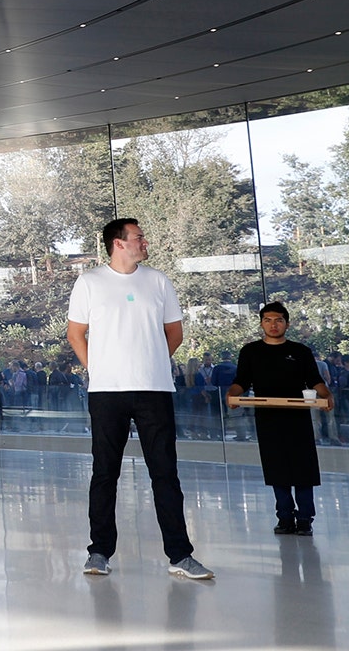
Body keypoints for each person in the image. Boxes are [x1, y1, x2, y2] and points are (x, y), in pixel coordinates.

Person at [67, 218, 213, 580]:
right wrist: (97, 369)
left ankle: (180, 556)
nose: (144, 242)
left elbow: (174, 332)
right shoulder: (89, 282)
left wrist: (149, 362)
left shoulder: (158, 281)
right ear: (118, 243)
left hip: (154, 390)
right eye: (138, 237)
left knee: (165, 473)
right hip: (106, 392)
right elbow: (76, 334)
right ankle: (98, 552)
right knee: (104, 473)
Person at [226, 302, 330, 535]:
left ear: (287, 323)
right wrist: (232, 393)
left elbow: (314, 379)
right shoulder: (250, 351)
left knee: (303, 467)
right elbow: (242, 380)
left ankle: (305, 518)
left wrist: (326, 395)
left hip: (298, 417)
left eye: (279, 320)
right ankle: (284, 517)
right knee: (276, 466)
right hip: (268, 417)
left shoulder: (301, 351)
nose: (273, 325)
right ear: (261, 323)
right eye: (268, 320)